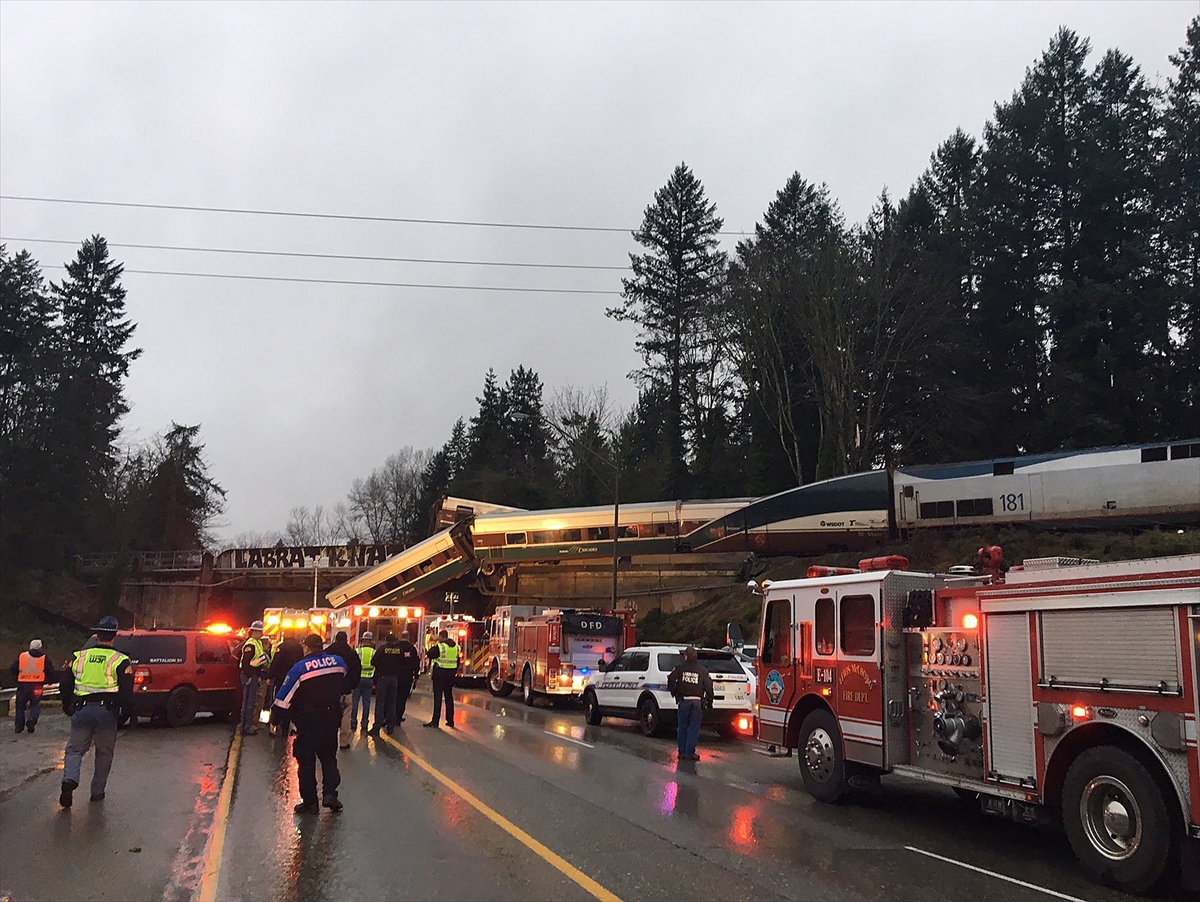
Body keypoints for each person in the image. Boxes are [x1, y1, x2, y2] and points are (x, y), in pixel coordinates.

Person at [57, 616, 133, 807]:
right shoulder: (121, 660)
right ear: (114, 635)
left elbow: (65, 684)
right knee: (104, 752)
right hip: (106, 713)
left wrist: (67, 706)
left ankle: (70, 780)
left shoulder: (79, 656)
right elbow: (126, 690)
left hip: (81, 711)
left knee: (74, 750)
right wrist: (125, 713)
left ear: (97, 634)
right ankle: (97, 792)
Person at [273, 633, 350, 814]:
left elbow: (283, 699)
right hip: (331, 718)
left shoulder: (299, 668)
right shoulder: (338, 662)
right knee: (329, 758)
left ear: (306, 647)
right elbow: (346, 680)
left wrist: (276, 719)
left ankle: (310, 803)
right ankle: (330, 794)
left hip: (308, 721)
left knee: (306, 762)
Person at [667, 646, 713, 762]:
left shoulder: (680, 668)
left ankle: (681, 752)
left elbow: (671, 679)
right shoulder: (702, 670)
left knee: (682, 727)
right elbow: (708, 686)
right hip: (697, 702)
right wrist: (709, 701)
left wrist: (675, 692)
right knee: (693, 728)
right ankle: (690, 753)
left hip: (684, 701)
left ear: (686, 656)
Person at [370, 631, 419, 735]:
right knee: (392, 703)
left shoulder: (382, 649)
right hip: (394, 679)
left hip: (383, 678)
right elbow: (404, 662)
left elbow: (373, 662)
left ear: (386, 640)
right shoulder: (400, 650)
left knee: (381, 703)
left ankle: (377, 726)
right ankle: (391, 726)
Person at [324, 630, 361, 749]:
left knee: (327, 714)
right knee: (346, 715)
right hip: (345, 690)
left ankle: (327, 740)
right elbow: (357, 670)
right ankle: (343, 742)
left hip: (329, 690)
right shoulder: (351, 653)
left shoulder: (327, 652)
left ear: (335, 639)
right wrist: (351, 686)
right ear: (346, 640)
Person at [10, 639, 55, 735]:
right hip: (37, 685)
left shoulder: (22, 656)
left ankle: (19, 727)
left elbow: (13, 668)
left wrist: (16, 678)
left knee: (20, 706)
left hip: (23, 685)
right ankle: (31, 721)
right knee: (35, 704)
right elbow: (50, 671)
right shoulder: (44, 658)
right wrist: (49, 681)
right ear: (40, 647)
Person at [268, 635, 305, 737]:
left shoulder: (282, 646)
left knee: (279, 701)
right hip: (295, 679)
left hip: (282, 678)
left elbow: (276, 662)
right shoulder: (299, 647)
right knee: (292, 702)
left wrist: (270, 675)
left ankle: (275, 723)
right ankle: (286, 726)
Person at [239, 620, 271, 735]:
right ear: (255, 632)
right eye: (260, 632)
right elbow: (246, 662)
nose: (262, 634)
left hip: (254, 674)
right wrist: (249, 676)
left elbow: (257, 660)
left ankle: (247, 726)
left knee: (251, 702)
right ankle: (245, 727)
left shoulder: (256, 643)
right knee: (248, 702)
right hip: (249, 675)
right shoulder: (251, 644)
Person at [424, 629, 460, 729]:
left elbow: (430, 654)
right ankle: (450, 720)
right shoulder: (456, 647)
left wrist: (435, 643)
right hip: (451, 674)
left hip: (440, 673)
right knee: (449, 697)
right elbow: (458, 661)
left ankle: (435, 721)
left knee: (438, 697)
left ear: (441, 636)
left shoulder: (440, 646)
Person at [350, 632, 375, 734]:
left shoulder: (357, 651)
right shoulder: (374, 652)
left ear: (362, 640)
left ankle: (353, 722)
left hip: (358, 680)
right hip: (369, 679)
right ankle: (364, 723)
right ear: (371, 641)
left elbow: (353, 666)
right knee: (367, 702)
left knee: (355, 702)